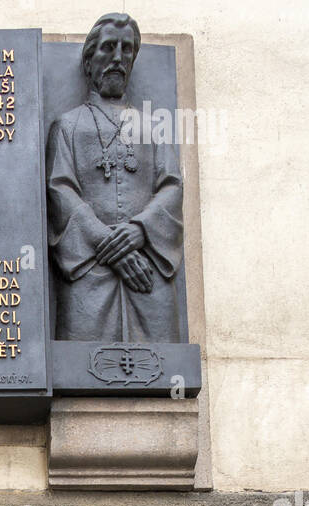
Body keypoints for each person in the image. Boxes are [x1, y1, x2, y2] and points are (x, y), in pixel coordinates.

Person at [46, 13, 184, 341]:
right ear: (89, 60)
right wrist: (111, 246)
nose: (118, 58)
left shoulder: (151, 127)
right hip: (89, 272)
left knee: (162, 359)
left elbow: (172, 187)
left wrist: (140, 230)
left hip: (147, 269)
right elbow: (60, 190)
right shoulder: (67, 125)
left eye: (127, 50)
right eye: (108, 48)